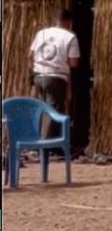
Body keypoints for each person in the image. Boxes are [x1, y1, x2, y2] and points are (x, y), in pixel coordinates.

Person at [29, 8, 80, 138]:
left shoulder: (41, 33)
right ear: (68, 21)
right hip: (55, 78)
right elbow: (74, 63)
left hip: (38, 76)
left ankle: (34, 140)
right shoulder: (70, 37)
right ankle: (47, 145)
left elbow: (30, 55)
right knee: (53, 110)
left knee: (39, 108)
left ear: (54, 19)